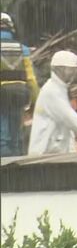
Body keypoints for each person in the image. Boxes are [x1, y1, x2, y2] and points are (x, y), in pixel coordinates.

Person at [28, 50, 77, 155]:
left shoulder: (59, 89)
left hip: (54, 149)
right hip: (45, 151)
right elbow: (68, 116)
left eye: (73, 70)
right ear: (59, 70)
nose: (71, 74)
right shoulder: (52, 91)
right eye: (68, 70)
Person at [0, 13, 40, 157]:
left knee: (2, 135)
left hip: (2, 93)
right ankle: (16, 167)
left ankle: (4, 170)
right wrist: (37, 99)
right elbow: (31, 78)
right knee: (16, 134)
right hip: (20, 93)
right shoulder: (23, 49)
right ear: (11, 28)